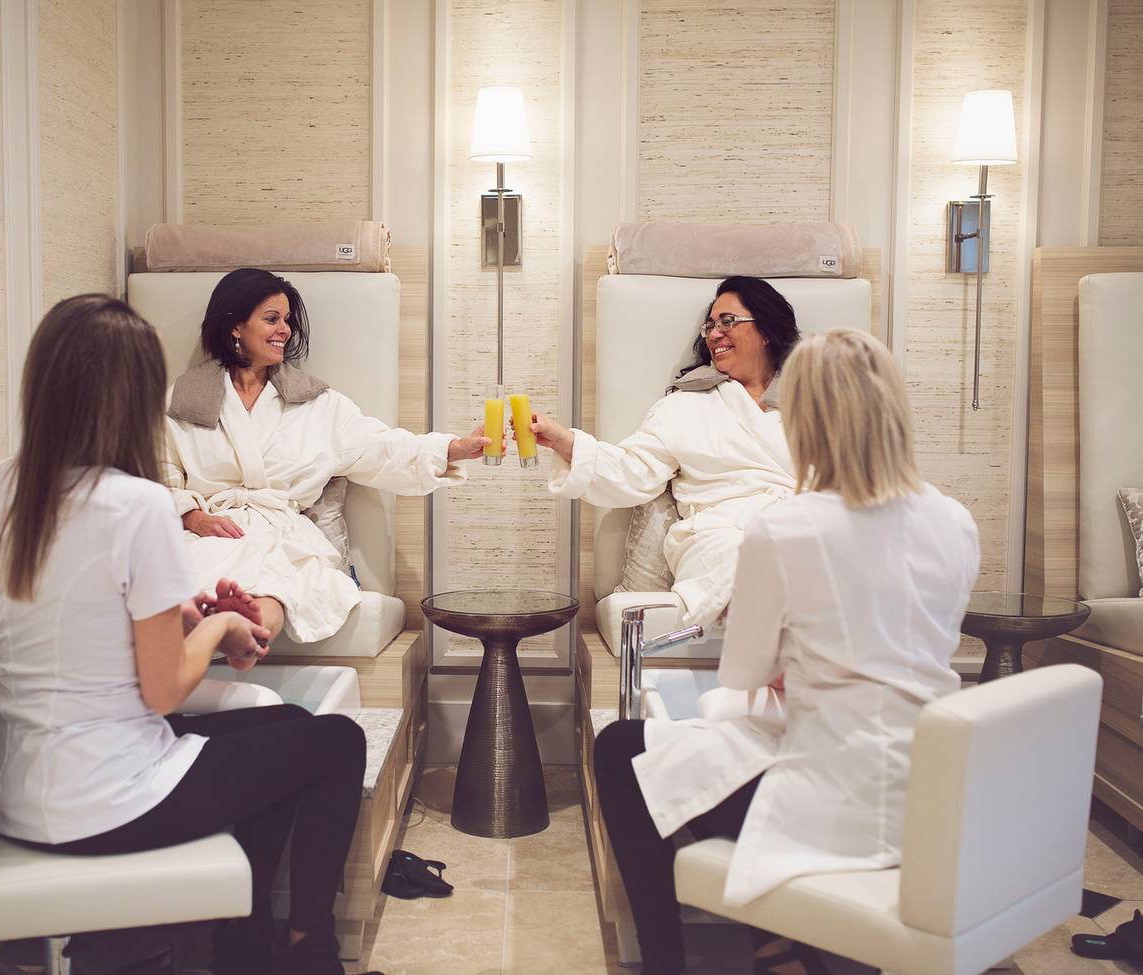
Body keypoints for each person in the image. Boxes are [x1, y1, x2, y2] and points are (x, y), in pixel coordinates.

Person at [0, 294, 383, 975]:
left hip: (18, 790)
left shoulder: (2, 487)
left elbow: (70, 618)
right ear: (133, 396)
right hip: (108, 801)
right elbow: (163, 690)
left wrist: (181, 616)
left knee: (282, 724)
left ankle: (244, 946)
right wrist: (223, 621)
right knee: (337, 741)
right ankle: (306, 948)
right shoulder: (134, 504)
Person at [591, 328, 980, 975]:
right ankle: (783, 942)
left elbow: (743, 675)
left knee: (622, 748)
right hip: (929, 791)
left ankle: (675, 960)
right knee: (718, 747)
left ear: (808, 423)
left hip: (833, 801)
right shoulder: (954, 519)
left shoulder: (785, 527)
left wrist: (789, 665)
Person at [164, 268, 489, 642]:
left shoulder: (317, 404)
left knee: (280, 577)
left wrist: (455, 448)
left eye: (287, 320)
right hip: (211, 531)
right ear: (234, 326)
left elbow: (381, 449)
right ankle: (217, 627)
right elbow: (157, 471)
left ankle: (244, 632)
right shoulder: (182, 400)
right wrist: (190, 515)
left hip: (281, 530)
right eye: (272, 319)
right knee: (186, 570)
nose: (284, 330)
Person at [531, 275, 801, 628]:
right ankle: (773, 671)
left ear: (765, 330)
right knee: (746, 563)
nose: (715, 333)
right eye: (710, 325)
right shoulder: (686, 405)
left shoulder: (813, 401)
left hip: (797, 527)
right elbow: (633, 470)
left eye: (728, 321)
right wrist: (564, 441)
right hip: (720, 535)